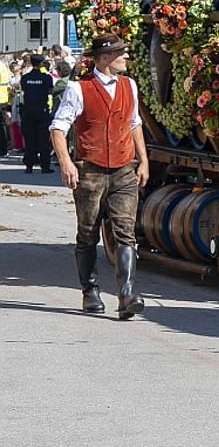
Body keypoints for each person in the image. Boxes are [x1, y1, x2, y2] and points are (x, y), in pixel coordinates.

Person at [49, 35, 150, 319]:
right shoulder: (79, 89)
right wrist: (67, 163)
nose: (126, 58)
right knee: (88, 233)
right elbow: (58, 128)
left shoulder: (129, 86)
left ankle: (127, 294)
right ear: (105, 59)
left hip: (123, 170)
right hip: (90, 171)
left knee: (125, 231)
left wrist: (143, 160)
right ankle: (90, 291)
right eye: (121, 54)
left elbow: (134, 124)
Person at [19, 53, 53, 174]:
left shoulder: (25, 78)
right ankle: (45, 166)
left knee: (30, 139)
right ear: (42, 63)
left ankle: (29, 166)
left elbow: (24, 90)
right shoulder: (46, 78)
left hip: (28, 110)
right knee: (43, 139)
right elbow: (50, 90)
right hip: (41, 110)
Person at [0, 53, 10, 156]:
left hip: (0, 97)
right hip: (3, 97)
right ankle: (4, 147)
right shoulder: (3, 66)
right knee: (2, 125)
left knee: (1, 125)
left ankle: (2, 148)